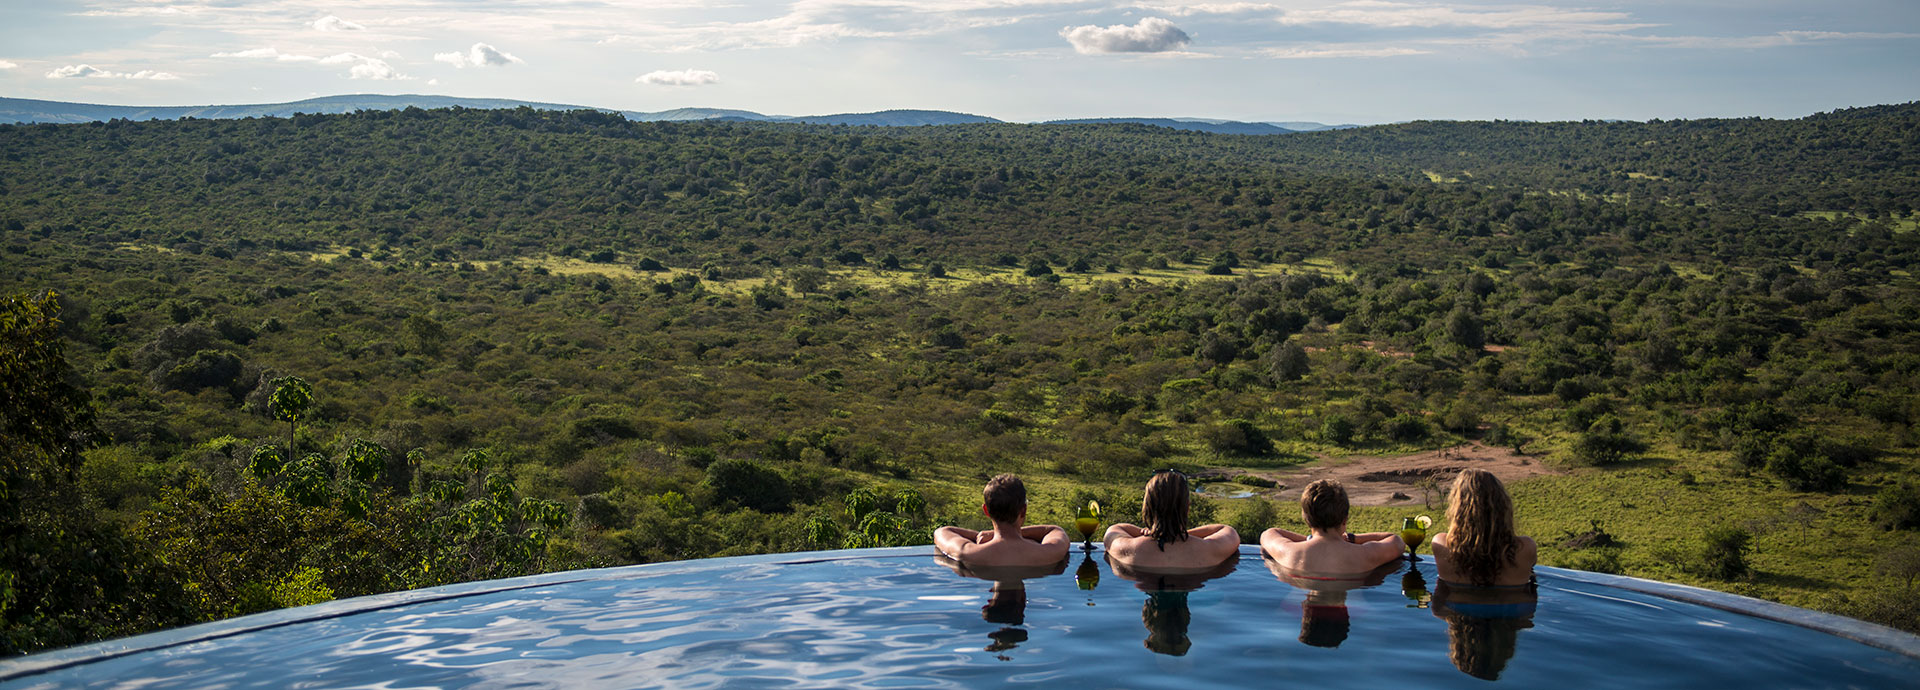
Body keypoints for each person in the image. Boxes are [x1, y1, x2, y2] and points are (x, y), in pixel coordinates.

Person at [1259, 479, 1405, 574]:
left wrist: (1309, 540)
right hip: (1354, 604)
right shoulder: (1365, 555)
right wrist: (1351, 539)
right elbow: (1396, 541)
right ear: (1345, 520)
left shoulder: (1289, 552)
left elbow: (1269, 533)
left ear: (1306, 519)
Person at [1103, 470, 1240, 570]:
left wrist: (1154, 532)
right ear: (1187, 507)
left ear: (1147, 507)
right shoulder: (1210, 549)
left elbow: (1116, 528)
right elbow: (1226, 530)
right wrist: (1179, 533)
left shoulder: (1125, 549)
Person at [933, 474, 1070, 567]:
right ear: (1023, 510)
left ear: (986, 511)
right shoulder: (1048, 553)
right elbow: (1054, 530)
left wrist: (984, 535)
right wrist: (1009, 533)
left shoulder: (967, 553)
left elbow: (942, 532)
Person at [1430, 468, 1537, 587]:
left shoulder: (1441, 545)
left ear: (1458, 508)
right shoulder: (1526, 547)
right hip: (1511, 599)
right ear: (1502, 505)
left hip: (1456, 599)